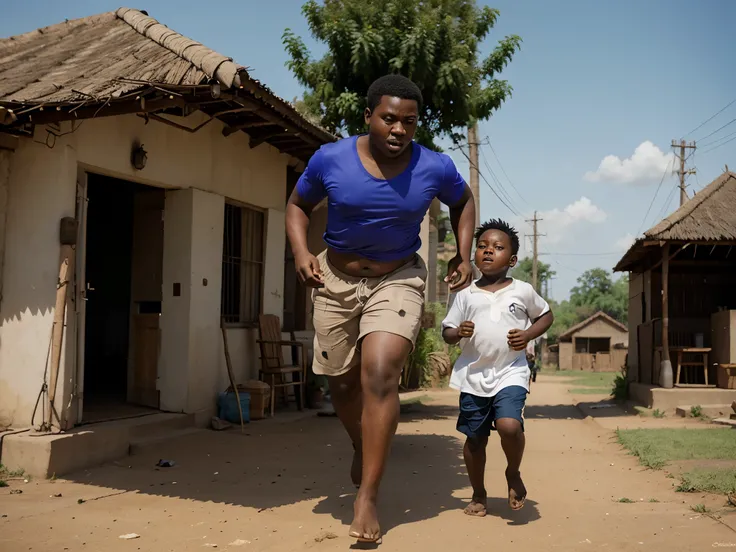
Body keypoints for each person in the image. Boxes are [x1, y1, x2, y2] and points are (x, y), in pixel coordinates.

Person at [286, 74, 476, 542]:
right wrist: (299, 252)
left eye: (409, 122)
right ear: (369, 116)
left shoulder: (434, 166)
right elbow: (297, 206)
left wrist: (463, 252)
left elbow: (464, 200)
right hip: (335, 278)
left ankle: (368, 495)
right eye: (389, 119)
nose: (398, 130)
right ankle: (360, 443)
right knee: (343, 384)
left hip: (399, 275)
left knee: (380, 374)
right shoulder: (330, 159)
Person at [441, 219, 554, 517]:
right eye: (482, 246)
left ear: (512, 259)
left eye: (498, 247)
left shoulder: (523, 290)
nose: (488, 251)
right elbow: (447, 332)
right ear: (474, 255)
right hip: (473, 375)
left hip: (511, 371)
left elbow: (546, 315)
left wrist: (528, 335)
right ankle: (478, 494)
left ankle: (513, 472)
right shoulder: (465, 295)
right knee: (475, 439)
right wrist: (458, 332)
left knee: (509, 425)